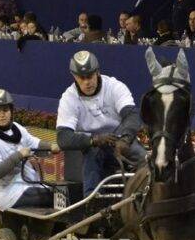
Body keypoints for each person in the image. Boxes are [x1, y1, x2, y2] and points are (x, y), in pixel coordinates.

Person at [56, 51, 146, 194]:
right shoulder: (69, 98)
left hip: (120, 139)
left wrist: (125, 139)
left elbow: (132, 115)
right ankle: (92, 200)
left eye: (90, 76)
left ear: (97, 72)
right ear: (74, 76)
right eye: (82, 78)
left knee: (146, 160)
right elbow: (63, 138)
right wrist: (94, 140)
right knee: (93, 153)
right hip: (93, 145)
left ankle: (148, 195)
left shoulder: (114, 86)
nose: (87, 82)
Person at [0, 89, 58, 210]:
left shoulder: (16, 128)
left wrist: (51, 146)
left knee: (60, 193)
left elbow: (33, 143)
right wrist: (18, 155)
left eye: (5, 110)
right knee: (56, 197)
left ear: (11, 110)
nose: (2, 114)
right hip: (7, 193)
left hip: (26, 184)